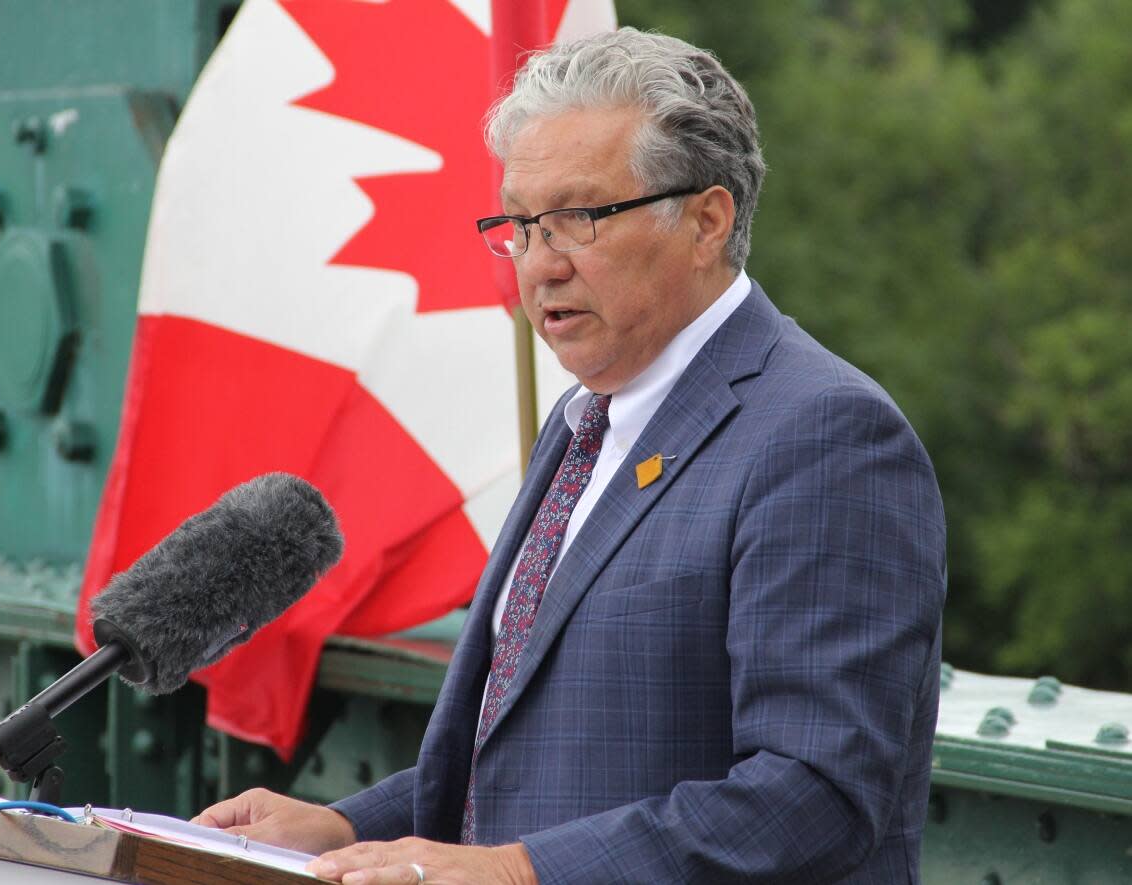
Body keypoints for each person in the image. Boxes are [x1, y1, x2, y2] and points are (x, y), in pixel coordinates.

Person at [196, 27, 946, 884]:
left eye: (576, 219)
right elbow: (537, 761)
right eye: (518, 224)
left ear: (707, 220)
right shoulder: (586, 419)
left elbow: (814, 794)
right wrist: (340, 824)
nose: (538, 265)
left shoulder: (826, 437)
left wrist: (521, 871)